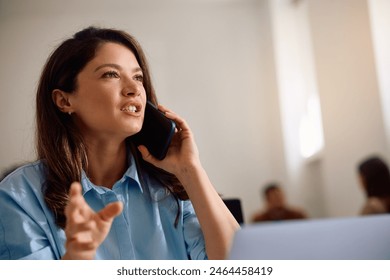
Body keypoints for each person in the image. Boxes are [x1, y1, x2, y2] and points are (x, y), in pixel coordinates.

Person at [0, 26, 239, 260]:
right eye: (111, 74)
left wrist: (190, 169)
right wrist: (76, 260)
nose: (134, 89)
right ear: (64, 100)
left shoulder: (172, 188)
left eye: (138, 77)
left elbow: (238, 266)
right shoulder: (18, 196)